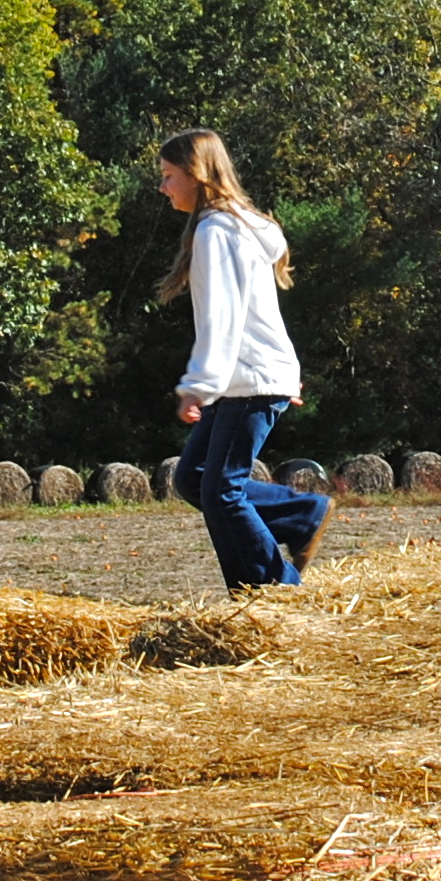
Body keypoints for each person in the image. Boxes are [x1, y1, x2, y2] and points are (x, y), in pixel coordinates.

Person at [157, 128, 329, 591]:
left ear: (195, 173)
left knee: (221, 492)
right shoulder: (234, 228)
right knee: (195, 479)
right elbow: (252, 316)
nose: (163, 187)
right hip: (248, 377)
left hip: (247, 378)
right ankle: (301, 515)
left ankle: (273, 592)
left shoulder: (217, 231)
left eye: (169, 175)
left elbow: (224, 316)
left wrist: (198, 384)